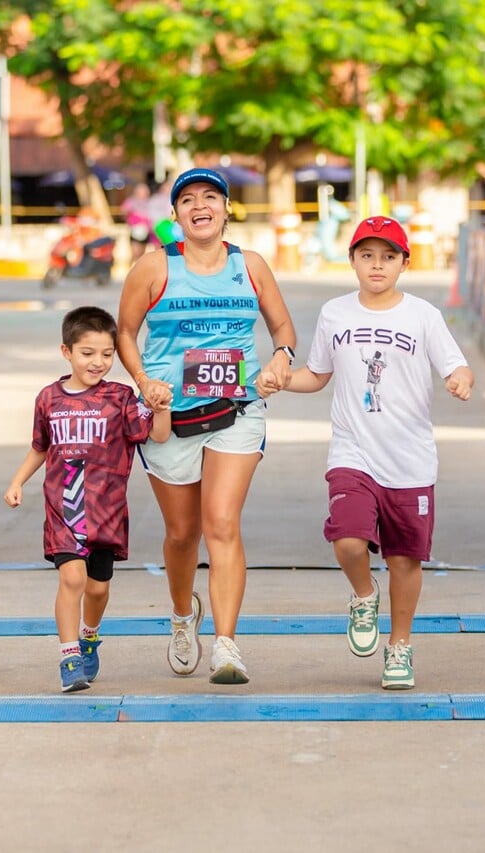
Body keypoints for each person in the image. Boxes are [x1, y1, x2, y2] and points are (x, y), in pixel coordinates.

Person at [257, 216, 474, 689]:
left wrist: (460, 379)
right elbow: (317, 374)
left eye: (388, 257)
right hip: (352, 451)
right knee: (348, 540)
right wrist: (280, 380)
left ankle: (400, 647)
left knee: (404, 560)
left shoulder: (422, 316)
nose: (378, 265)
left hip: (410, 459)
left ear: (404, 264)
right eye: (367, 256)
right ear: (352, 260)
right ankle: (363, 594)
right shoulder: (336, 313)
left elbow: (456, 366)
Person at [116, 167, 296, 685]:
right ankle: (181, 617)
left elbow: (282, 327)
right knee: (182, 534)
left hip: (236, 410)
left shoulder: (250, 265)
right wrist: (143, 380)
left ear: (226, 208)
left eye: (211, 197)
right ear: (175, 214)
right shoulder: (154, 266)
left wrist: (281, 356)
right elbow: (125, 331)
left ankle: (226, 644)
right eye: (189, 199)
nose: (201, 206)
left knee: (221, 523)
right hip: (170, 417)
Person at [4, 306, 172, 692]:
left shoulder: (121, 397)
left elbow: (157, 435)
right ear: (66, 352)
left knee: (97, 588)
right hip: (63, 509)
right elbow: (40, 447)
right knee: (72, 578)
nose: (98, 362)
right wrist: (17, 481)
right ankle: (69, 658)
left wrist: (162, 407)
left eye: (107, 354)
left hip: (106, 512)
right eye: (88, 353)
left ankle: (89, 637)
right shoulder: (49, 398)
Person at [121, 182, 154, 262]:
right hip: (136, 230)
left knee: (142, 254)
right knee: (135, 253)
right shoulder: (131, 201)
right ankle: (132, 268)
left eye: (145, 192)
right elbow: (123, 213)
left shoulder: (150, 202)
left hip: (147, 230)